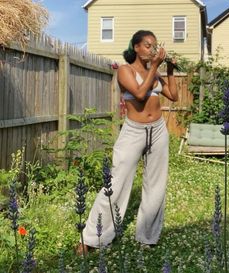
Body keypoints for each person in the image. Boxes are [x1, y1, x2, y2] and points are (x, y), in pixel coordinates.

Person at [76, 30, 178, 255]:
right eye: (148, 45)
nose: (152, 49)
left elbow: (173, 95)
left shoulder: (155, 72)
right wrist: (156, 67)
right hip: (134, 131)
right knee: (116, 183)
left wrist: (169, 69)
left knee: (156, 185)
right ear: (137, 47)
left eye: (154, 45)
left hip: (158, 130)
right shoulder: (125, 70)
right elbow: (140, 94)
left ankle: (148, 236)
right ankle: (93, 237)